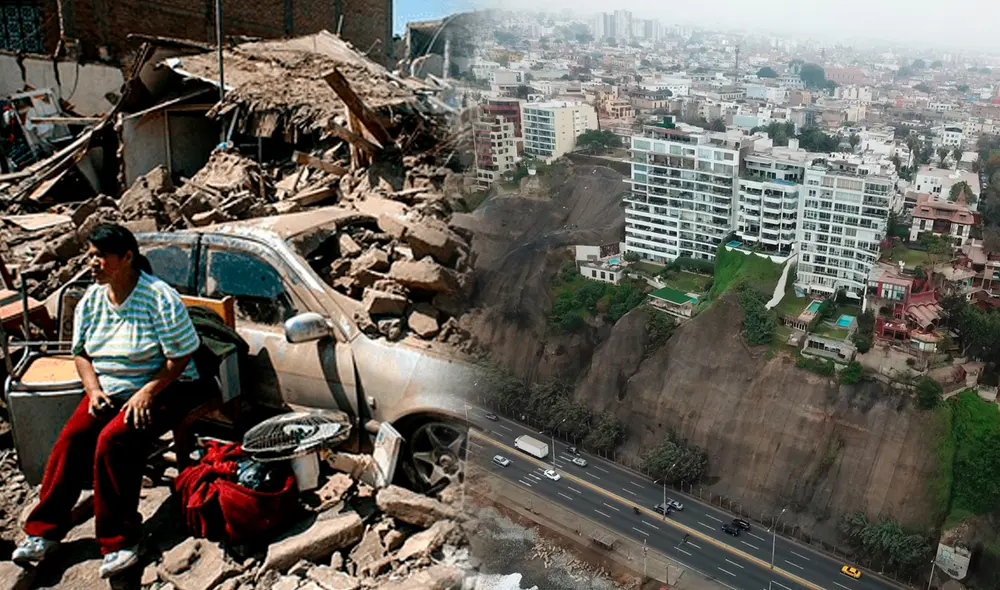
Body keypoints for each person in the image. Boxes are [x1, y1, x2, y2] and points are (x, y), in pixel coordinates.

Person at [12, 223, 205, 578]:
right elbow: (82, 354)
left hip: (165, 386)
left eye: (100, 256)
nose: (93, 263)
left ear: (127, 257)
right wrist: (93, 390)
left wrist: (147, 391)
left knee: (112, 441)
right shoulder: (93, 299)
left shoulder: (158, 297)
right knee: (72, 439)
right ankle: (43, 532)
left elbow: (179, 357)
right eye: (90, 256)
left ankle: (120, 540)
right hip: (110, 389)